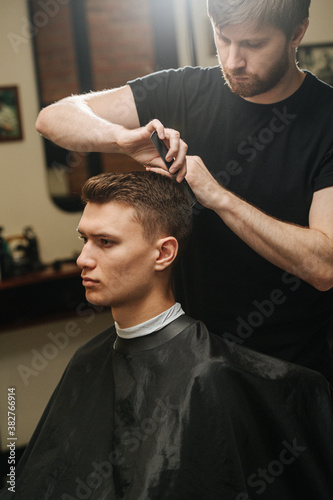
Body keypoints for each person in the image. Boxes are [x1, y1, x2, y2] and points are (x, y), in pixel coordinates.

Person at [35, 0, 333, 382]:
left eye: (253, 45)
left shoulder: (325, 119)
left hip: (291, 376)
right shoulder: (184, 89)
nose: (233, 60)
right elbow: (53, 119)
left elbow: (324, 266)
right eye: (222, 39)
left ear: (297, 33)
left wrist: (219, 197)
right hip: (192, 366)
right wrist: (121, 138)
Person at [1, 171, 333, 499]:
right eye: (83, 240)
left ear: (163, 254)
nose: (83, 259)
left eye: (105, 242)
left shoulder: (207, 377)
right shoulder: (87, 360)